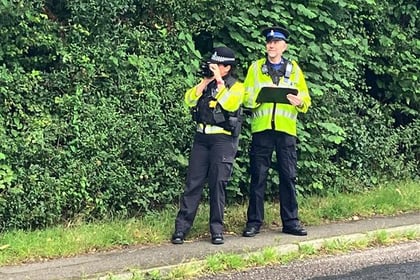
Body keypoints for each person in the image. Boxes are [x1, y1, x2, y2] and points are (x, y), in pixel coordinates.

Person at [242, 26, 311, 237]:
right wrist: (258, 98)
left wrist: (300, 102)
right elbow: (245, 97)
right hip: (262, 129)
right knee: (258, 176)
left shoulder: (294, 69)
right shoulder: (255, 68)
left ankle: (291, 222)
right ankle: (254, 222)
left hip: (285, 130)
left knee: (288, 176)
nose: (271, 45)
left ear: (284, 46)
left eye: (276, 42)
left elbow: (306, 100)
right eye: (268, 42)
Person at [171, 46, 244, 245]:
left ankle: (217, 230)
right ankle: (181, 229)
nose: (213, 68)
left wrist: (219, 83)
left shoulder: (236, 86)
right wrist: (205, 81)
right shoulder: (207, 82)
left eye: (217, 65)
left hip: (223, 140)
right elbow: (189, 99)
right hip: (201, 138)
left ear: (227, 68)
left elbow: (230, 105)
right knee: (193, 183)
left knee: (217, 184)